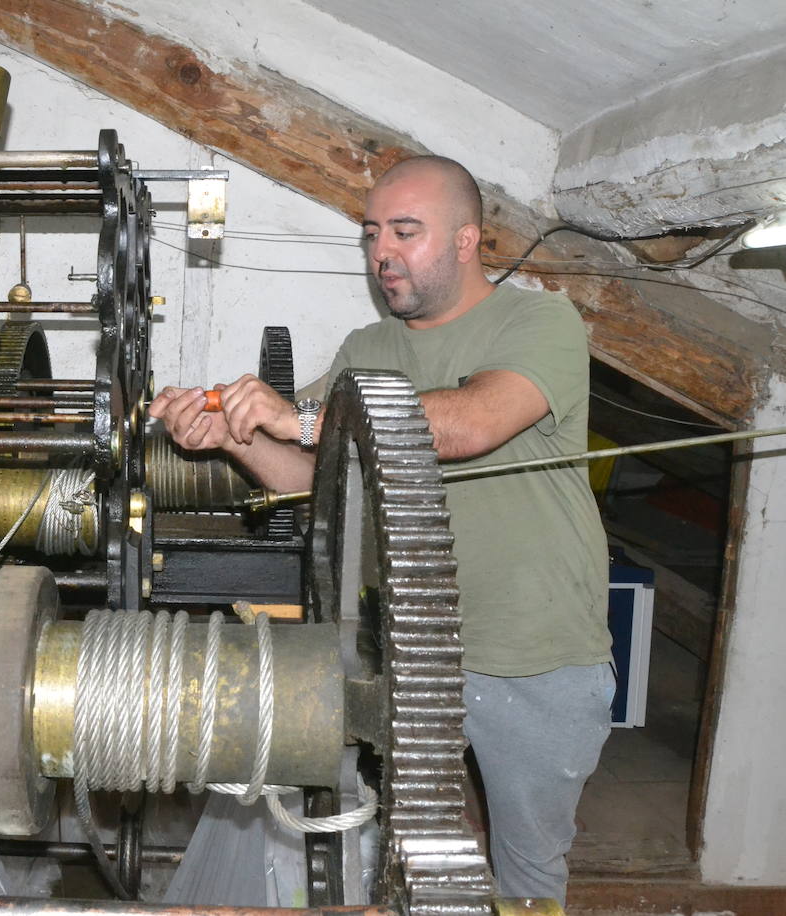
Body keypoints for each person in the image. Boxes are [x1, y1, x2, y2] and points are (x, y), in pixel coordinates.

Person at [148, 155, 614, 905]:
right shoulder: (369, 351)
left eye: (405, 231)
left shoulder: (540, 322)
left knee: (528, 873)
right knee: (408, 856)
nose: (381, 253)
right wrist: (229, 436)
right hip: (405, 652)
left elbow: (471, 423)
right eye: (370, 235)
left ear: (467, 241)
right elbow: (314, 478)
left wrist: (293, 415)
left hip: (533, 653)